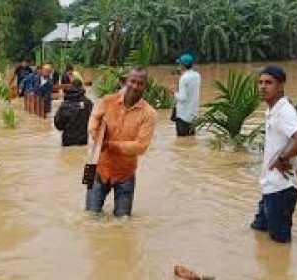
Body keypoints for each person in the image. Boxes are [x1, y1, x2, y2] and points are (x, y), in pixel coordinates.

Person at [250, 66, 297, 243]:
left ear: (281, 86)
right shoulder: (273, 109)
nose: (262, 87)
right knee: (259, 231)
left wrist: (282, 158)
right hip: (270, 186)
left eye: (269, 83)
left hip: (281, 190)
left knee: (280, 245)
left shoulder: (284, 112)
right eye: (260, 83)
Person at [86, 66, 157, 217]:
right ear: (125, 82)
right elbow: (94, 117)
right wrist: (95, 133)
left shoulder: (149, 114)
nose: (135, 86)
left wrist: (110, 145)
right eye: (132, 81)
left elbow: (141, 147)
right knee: (90, 217)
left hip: (125, 173)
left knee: (123, 222)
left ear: (145, 87)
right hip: (97, 166)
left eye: (140, 83)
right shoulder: (107, 101)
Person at [54, 79, 93, 146]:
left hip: (67, 139)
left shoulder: (63, 105)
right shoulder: (88, 103)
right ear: (81, 87)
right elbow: (92, 121)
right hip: (82, 139)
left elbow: (58, 124)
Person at [170, 54, 201, 136]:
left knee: (181, 141)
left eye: (179, 64)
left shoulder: (184, 78)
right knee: (191, 139)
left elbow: (182, 98)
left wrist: (174, 92)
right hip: (193, 115)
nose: (179, 65)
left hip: (183, 115)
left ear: (183, 65)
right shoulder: (197, 75)